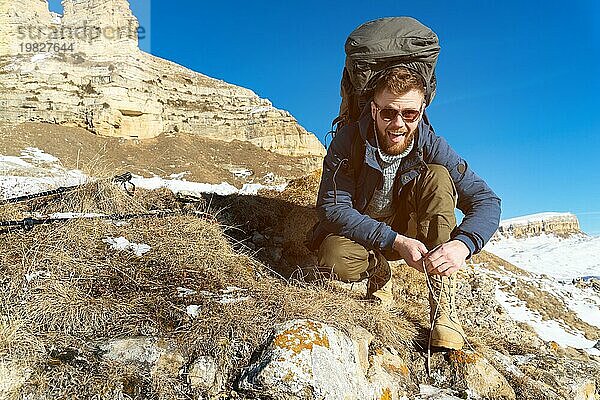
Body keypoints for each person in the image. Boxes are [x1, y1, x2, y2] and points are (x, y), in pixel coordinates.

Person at [310, 66, 501, 350]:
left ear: (421, 111)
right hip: (365, 236)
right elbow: (332, 208)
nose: (398, 124)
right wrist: (396, 242)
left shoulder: (431, 144)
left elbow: (486, 200)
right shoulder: (348, 140)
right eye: (388, 113)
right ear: (374, 110)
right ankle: (378, 271)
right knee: (334, 257)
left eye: (409, 114)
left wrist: (463, 245)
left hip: (407, 228)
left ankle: (442, 308)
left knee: (438, 176)